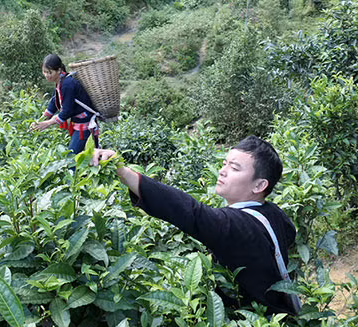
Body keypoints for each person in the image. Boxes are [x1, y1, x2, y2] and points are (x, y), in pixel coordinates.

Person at [92, 135, 300, 315]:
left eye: (234, 168)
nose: (222, 171)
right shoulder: (272, 213)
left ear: (260, 185)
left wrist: (124, 173)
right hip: (279, 320)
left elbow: (190, 212)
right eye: (225, 163)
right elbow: (289, 234)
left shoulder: (234, 225)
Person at [30, 54, 99, 155]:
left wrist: (48, 123)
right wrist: (42, 119)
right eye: (44, 72)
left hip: (84, 125)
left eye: (50, 72)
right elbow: (55, 101)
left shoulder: (67, 84)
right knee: (84, 156)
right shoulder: (61, 81)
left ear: (58, 70)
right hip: (77, 123)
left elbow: (67, 111)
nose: (46, 75)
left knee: (71, 157)